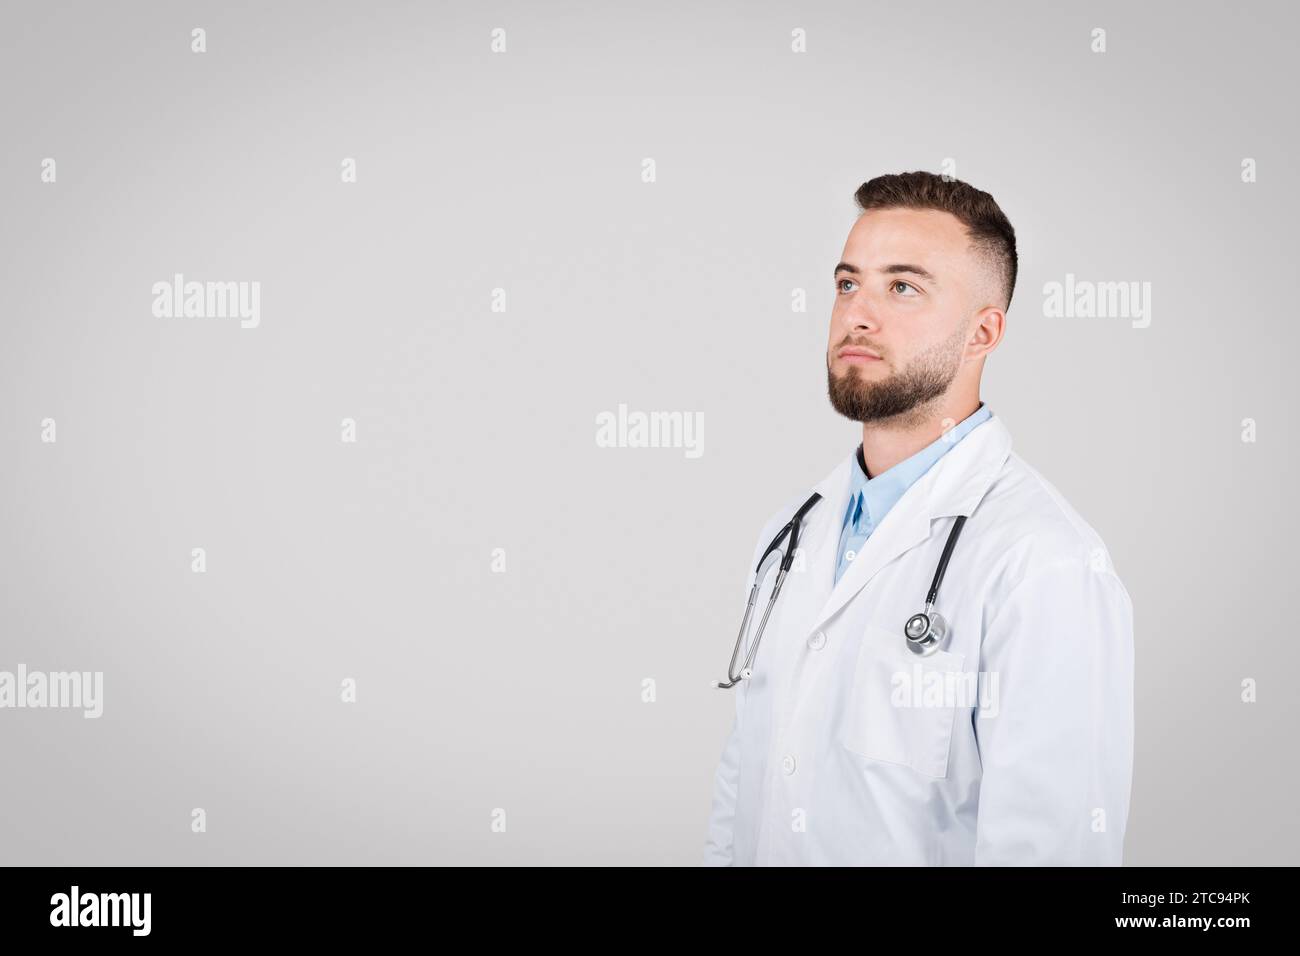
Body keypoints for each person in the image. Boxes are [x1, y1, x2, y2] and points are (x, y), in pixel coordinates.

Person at [704, 171, 1134, 866]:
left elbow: (1049, 848)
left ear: (982, 332)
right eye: (848, 284)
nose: (858, 315)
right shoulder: (792, 536)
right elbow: (742, 790)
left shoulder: (1042, 562)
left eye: (902, 287)